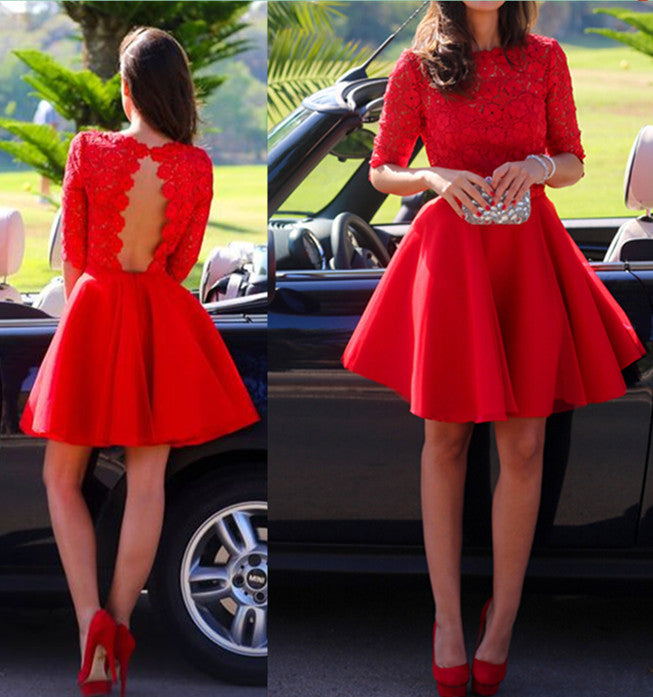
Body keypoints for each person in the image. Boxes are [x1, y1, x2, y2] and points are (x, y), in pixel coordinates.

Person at [341, 2, 646, 696]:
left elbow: (571, 161)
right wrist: (431, 178)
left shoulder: (544, 58)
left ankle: (501, 620)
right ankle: (447, 621)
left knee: (524, 446)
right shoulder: (417, 67)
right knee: (445, 440)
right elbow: (383, 168)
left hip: (525, 259)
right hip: (450, 261)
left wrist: (538, 164)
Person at [19, 26, 260, 697]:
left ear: (127, 89)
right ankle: (121, 624)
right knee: (147, 483)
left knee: (60, 478)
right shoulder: (197, 165)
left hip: (95, 313)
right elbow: (183, 263)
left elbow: (72, 260)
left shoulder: (88, 150)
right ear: (178, 89)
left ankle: (87, 628)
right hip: (160, 318)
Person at [32, 99, 59, 203]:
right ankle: (44, 195)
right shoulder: (51, 107)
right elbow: (52, 126)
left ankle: (44, 194)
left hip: (39, 138)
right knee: (47, 169)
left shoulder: (42, 103)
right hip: (47, 141)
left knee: (44, 169)